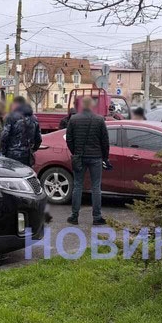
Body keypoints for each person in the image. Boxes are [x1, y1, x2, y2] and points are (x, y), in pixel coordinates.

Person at [66, 96, 109, 226]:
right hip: (96, 157)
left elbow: (69, 139)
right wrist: (105, 157)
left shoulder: (74, 119)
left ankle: (74, 216)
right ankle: (97, 217)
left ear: (81, 105)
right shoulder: (99, 120)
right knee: (96, 187)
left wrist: (75, 152)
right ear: (92, 106)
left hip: (79, 156)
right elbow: (105, 141)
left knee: (78, 186)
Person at [0, 96, 42, 166]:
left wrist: (4, 151)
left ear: (17, 104)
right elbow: (38, 138)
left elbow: (4, 136)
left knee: (12, 175)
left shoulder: (11, 117)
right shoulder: (34, 118)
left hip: (12, 155)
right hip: (27, 155)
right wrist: (32, 150)